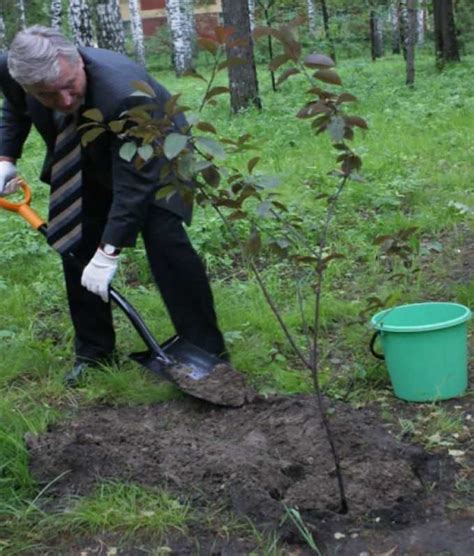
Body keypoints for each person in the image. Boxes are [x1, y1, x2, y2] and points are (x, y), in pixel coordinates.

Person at [0, 25, 227, 385]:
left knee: (164, 238)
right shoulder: (15, 70)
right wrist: (5, 158)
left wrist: (108, 254)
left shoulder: (123, 95)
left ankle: (206, 350)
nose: (63, 101)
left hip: (158, 153)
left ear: (78, 62)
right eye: (47, 96)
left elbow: (134, 186)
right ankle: (95, 353)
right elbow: (14, 106)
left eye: (68, 86)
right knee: (74, 239)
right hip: (86, 154)